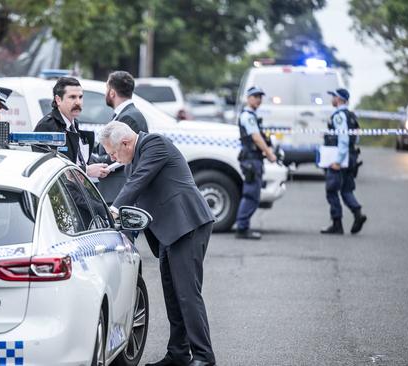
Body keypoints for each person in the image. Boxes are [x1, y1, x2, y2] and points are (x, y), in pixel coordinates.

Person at [100, 121, 216, 366]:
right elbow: (136, 191)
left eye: (113, 153)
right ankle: (178, 354)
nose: (113, 158)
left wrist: (114, 210)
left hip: (188, 225)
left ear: (125, 142)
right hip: (168, 233)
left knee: (187, 294)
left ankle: (204, 356)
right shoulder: (133, 158)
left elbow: (138, 183)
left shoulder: (154, 143)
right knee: (173, 296)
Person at [34, 77, 110, 179]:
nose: (78, 102)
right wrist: (86, 171)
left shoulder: (73, 123)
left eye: (80, 97)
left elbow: (78, 158)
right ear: (58, 100)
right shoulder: (47, 126)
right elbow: (48, 170)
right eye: (72, 97)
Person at [98, 70, 149, 203]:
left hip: (118, 188)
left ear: (112, 92)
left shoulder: (128, 117)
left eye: (107, 89)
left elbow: (124, 153)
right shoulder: (125, 114)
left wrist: (95, 160)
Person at [321, 88, 367, 234]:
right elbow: (356, 137)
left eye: (333, 96)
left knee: (332, 190)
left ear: (339, 99)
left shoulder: (339, 116)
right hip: (352, 156)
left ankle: (337, 224)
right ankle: (357, 213)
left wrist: (338, 161)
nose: (331, 99)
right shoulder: (351, 115)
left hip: (341, 158)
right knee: (346, 189)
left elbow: (343, 139)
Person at [234, 86, 277, 240]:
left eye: (260, 96)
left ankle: (243, 226)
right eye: (255, 96)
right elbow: (256, 138)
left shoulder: (252, 115)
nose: (258, 99)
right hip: (251, 159)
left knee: (252, 193)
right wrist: (269, 153)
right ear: (248, 98)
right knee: (251, 194)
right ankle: (242, 228)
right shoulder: (248, 116)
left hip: (253, 159)